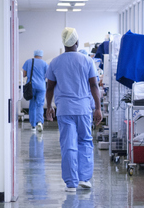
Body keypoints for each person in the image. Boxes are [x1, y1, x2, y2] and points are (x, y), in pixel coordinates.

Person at [45, 27, 102, 192]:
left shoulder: (55, 62)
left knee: (68, 144)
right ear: (77, 42)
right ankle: (83, 178)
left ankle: (71, 183)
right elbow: (94, 85)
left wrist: (49, 107)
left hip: (64, 110)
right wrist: (98, 108)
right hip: (83, 109)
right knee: (84, 141)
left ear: (64, 43)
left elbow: (50, 88)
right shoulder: (87, 61)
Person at [22, 49, 48, 131]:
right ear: (41, 55)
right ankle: (39, 121)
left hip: (31, 86)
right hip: (41, 86)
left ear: (34, 54)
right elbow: (47, 75)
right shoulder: (44, 63)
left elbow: (24, 74)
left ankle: (33, 125)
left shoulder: (28, 61)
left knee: (32, 105)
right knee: (40, 105)